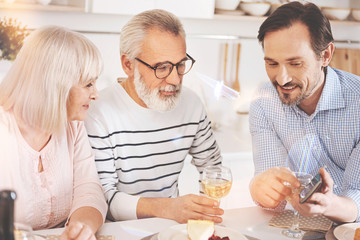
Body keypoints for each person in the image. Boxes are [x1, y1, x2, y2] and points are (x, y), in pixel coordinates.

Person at [84, 9, 223, 224]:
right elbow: (103, 200)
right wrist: (167, 207)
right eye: (162, 67)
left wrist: (202, 216)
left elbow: (213, 168)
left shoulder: (192, 105)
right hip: (118, 232)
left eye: (180, 64)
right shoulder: (98, 112)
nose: (175, 79)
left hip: (171, 228)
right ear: (128, 64)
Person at [249, 1, 360, 223]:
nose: (282, 79)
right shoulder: (264, 101)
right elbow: (274, 198)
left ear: (326, 55)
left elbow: (357, 197)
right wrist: (259, 189)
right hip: (300, 228)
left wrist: (329, 205)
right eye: (272, 63)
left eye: (295, 63)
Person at [0, 26, 108, 239]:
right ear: (56, 86)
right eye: (88, 84)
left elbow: (89, 190)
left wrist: (81, 229)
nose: (96, 95)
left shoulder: (73, 126)